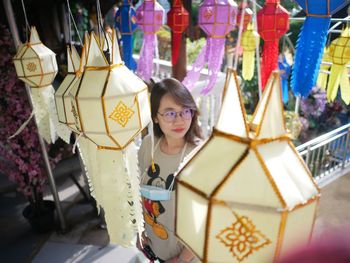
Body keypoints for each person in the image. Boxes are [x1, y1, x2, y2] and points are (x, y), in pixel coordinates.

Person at [137, 78, 202, 263]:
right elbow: (139, 193)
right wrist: (140, 231)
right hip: (155, 248)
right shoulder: (149, 145)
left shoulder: (199, 156)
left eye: (185, 111)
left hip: (188, 258)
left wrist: (181, 259)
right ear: (155, 117)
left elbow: (208, 219)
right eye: (170, 113)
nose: (179, 120)